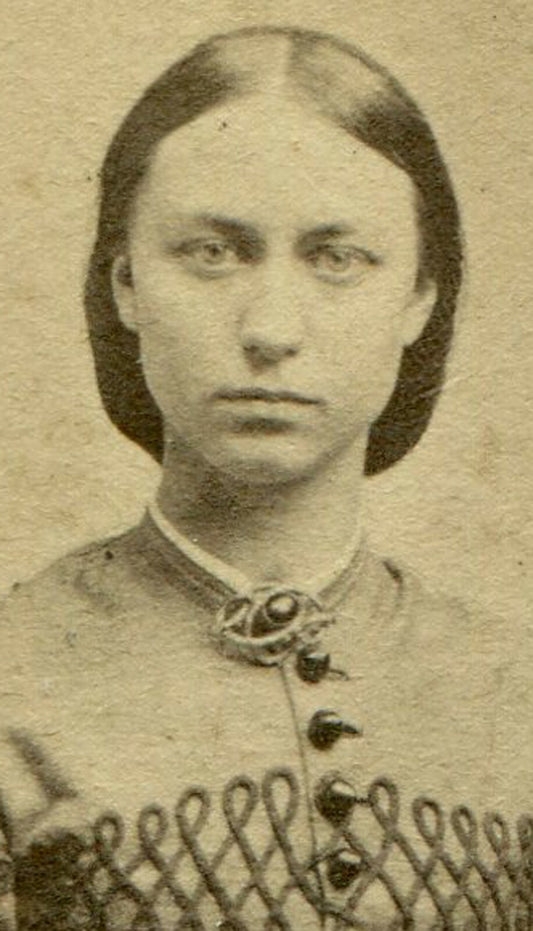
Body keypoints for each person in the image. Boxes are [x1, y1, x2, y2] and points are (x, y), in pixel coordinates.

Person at [0, 25, 531, 930]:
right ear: (126, 285)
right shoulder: (18, 677)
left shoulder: (511, 690)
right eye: (212, 251)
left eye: (337, 257)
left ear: (417, 301)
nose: (270, 326)